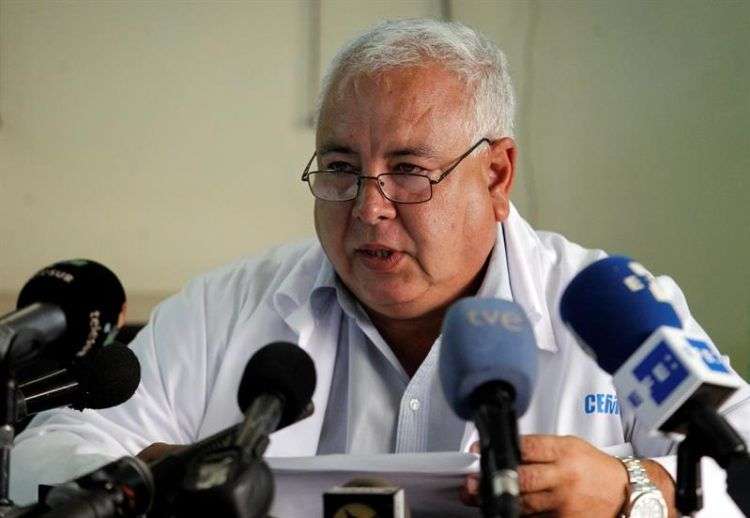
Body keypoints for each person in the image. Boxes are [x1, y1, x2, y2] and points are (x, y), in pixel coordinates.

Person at [11, 19, 750, 516]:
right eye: (340, 167)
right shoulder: (227, 306)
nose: (368, 208)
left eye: (408, 170)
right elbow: (46, 448)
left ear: (496, 176)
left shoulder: (607, 307)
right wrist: (157, 482)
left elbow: (740, 471)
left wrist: (629, 492)